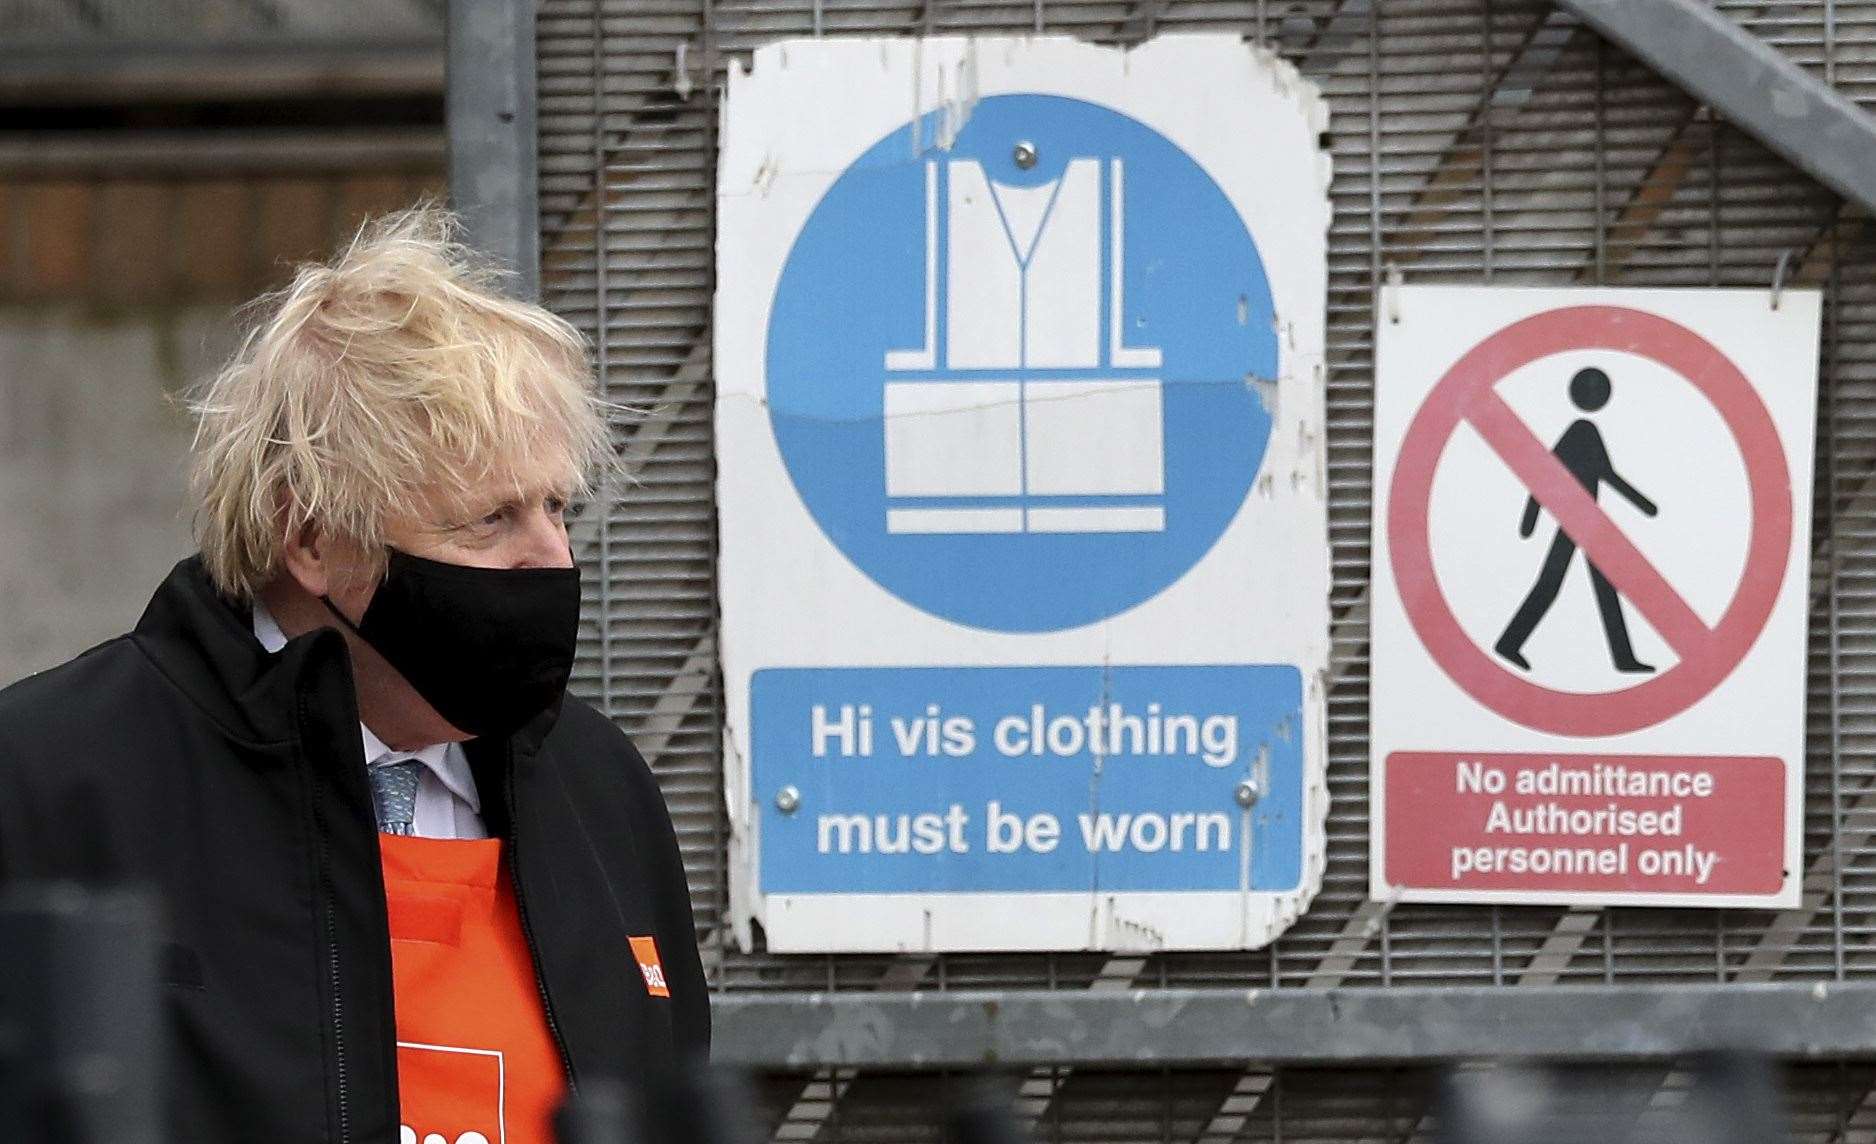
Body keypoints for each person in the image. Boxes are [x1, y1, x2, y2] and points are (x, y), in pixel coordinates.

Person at [0, 208, 708, 1142]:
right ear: (311, 539)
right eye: (489, 520)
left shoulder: (596, 786)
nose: (553, 558)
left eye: (556, 507)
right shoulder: (49, 784)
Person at [1494, 366, 1659, 674]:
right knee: (1553, 583)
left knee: (1598, 586)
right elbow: (1546, 474)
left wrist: (1644, 505)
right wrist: (1530, 518)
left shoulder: (1587, 432)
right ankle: (1510, 643)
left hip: (1587, 522)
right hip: (1576, 520)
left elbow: (1604, 474)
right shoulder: (1580, 432)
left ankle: (1622, 658)